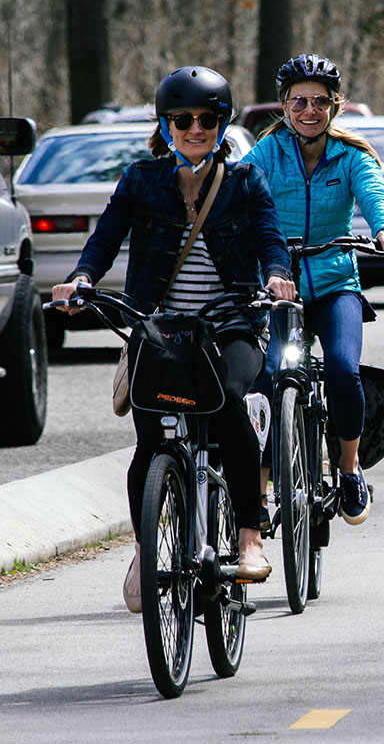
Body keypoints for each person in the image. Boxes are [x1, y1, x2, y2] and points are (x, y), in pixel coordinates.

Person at [52, 66, 296, 612]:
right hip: (159, 328)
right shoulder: (141, 179)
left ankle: (250, 538)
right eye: (182, 120)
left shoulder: (244, 182)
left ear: (222, 125)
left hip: (230, 323)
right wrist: (82, 279)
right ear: (165, 126)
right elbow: (105, 239)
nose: (195, 129)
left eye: (207, 120)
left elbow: (270, 239)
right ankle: (146, 549)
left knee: (229, 402)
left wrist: (278, 275)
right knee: (151, 442)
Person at [244, 53, 384, 528]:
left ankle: (349, 470)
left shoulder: (352, 155)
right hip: (280, 287)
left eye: (319, 101)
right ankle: (259, 488)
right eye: (299, 102)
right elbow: (236, 192)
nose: (309, 111)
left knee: (343, 370)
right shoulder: (267, 154)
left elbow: (374, 194)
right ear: (284, 106)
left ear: (335, 105)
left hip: (336, 285)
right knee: (268, 377)